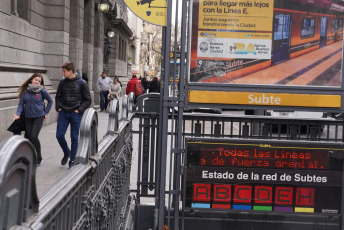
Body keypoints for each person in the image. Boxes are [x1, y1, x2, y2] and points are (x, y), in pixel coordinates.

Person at [55, 62, 91, 168]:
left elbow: (88, 100)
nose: (63, 73)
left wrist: (79, 110)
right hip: (63, 113)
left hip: (75, 113)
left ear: (70, 71)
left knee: (74, 137)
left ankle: (72, 160)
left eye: (64, 71)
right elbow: (58, 97)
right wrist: (58, 108)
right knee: (59, 135)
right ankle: (67, 152)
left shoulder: (82, 83)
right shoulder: (62, 83)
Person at [13, 73, 53, 165]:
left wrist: (45, 112)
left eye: (39, 81)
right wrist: (17, 114)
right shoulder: (25, 91)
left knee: (34, 136)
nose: (37, 82)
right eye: (35, 80)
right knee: (27, 137)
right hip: (28, 117)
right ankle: (30, 155)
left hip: (38, 117)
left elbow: (50, 101)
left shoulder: (42, 91)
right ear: (31, 80)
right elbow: (20, 105)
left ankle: (39, 156)